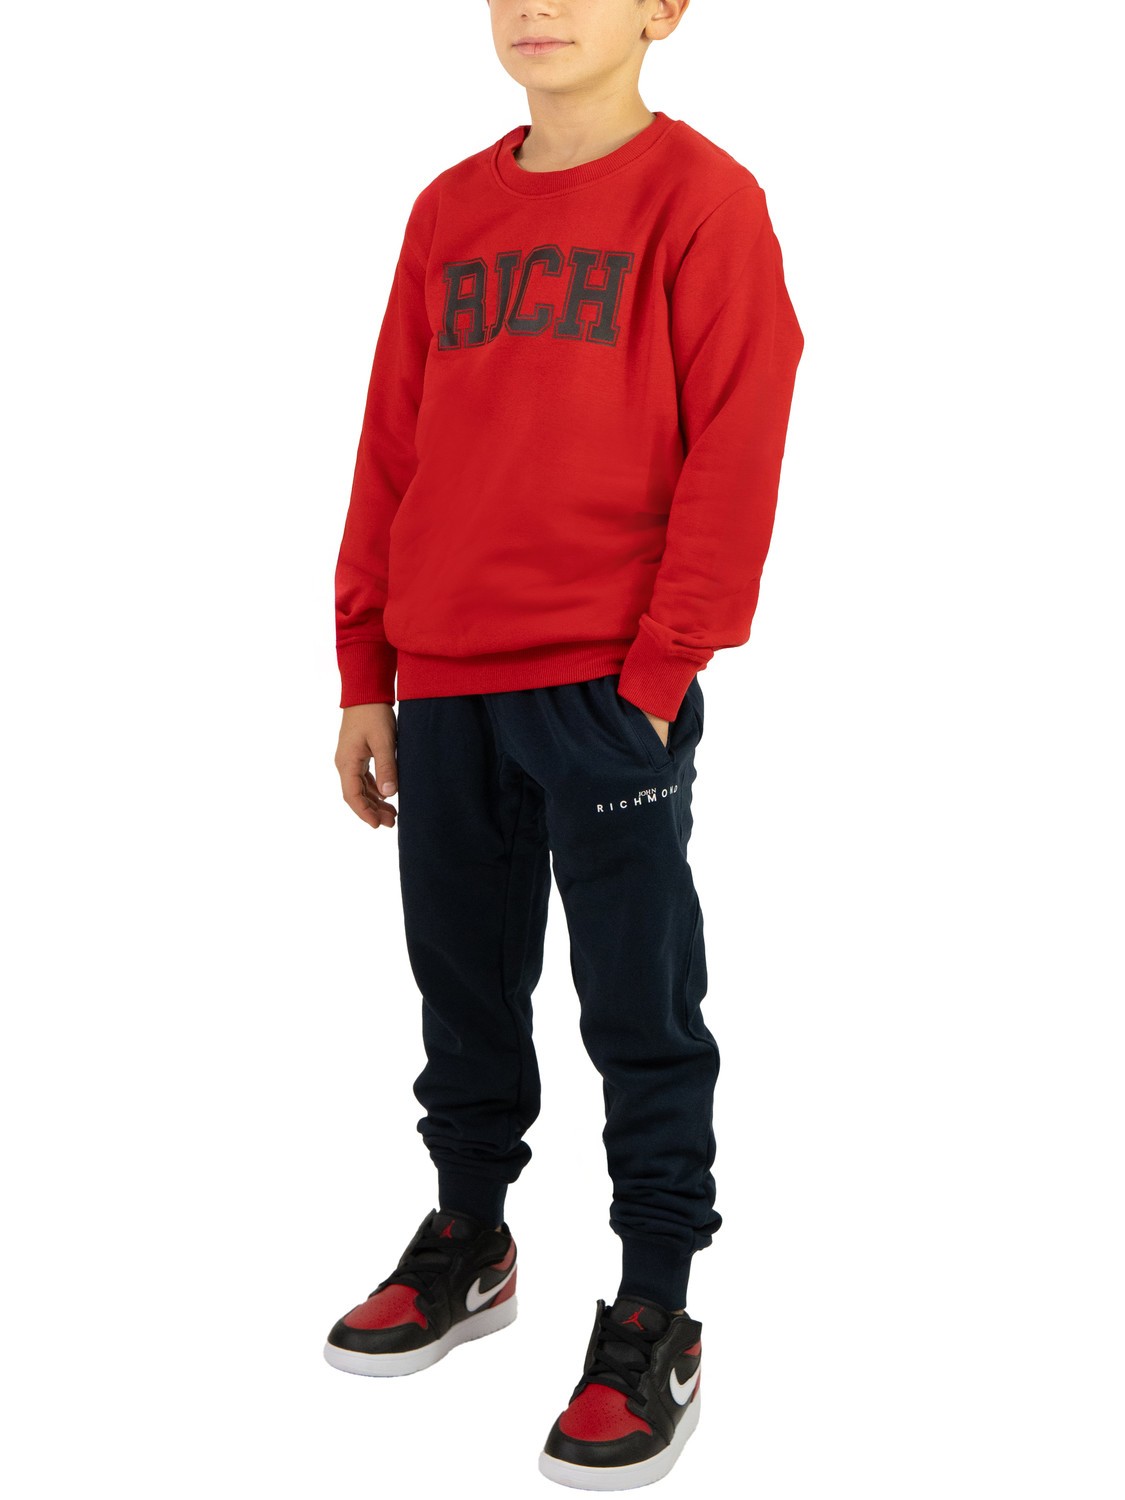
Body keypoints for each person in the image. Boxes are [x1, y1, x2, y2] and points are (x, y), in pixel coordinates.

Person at [325, 0, 804, 1488]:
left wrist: (660, 671)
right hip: (443, 678)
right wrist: (366, 667)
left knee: (638, 1001)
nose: (538, 6)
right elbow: (392, 442)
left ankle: (655, 1302)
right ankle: (470, 1234)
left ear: (663, 9)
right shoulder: (447, 212)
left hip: (604, 684)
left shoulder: (702, 202)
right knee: (463, 986)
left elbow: (741, 435)